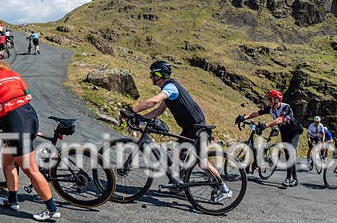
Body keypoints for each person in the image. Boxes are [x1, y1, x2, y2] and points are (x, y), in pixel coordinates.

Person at [126, 60, 232, 202]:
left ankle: (224, 188)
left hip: (198, 128)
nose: (150, 76)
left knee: (202, 163)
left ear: (158, 75)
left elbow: (153, 102)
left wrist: (133, 110)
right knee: (177, 155)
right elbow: (158, 110)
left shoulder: (171, 88)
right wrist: (140, 118)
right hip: (189, 128)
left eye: (152, 74)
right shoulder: (169, 90)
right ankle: (179, 186)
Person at [0, 48, 61, 221]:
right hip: (29, 114)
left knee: (30, 169)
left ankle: (52, 209)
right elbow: (28, 96)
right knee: (8, 162)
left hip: (15, 122)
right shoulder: (13, 73)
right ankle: (12, 200)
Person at [237, 89, 303, 187]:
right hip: (284, 132)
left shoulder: (286, 107)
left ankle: (289, 178)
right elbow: (257, 113)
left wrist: (266, 125)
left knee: (290, 152)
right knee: (288, 154)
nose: (269, 101)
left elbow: (280, 119)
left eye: (271, 99)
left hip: (294, 131)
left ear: (277, 100)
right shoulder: (271, 108)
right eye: (269, 99)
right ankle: (294, 178)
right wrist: (244, 117)